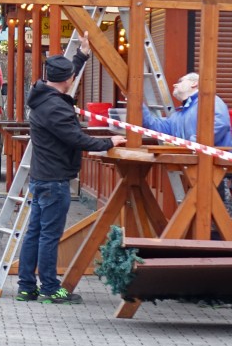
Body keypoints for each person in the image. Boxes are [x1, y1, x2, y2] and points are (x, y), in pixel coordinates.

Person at [16, 32, 126, 304]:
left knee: (35, 233)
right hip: (54, 181)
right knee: (49, 236)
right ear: (65, 80)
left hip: (41, 177)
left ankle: (26, 287)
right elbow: (76, 139)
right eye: (71, 76)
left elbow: (66, 76)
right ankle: (50, 289)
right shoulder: (57, 108)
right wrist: (109, 141)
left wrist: (81, 56)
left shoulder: (42, 95)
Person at [142, 72, 232, 218]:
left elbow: (220, 124)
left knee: (217, 218)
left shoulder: (210, 101)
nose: (174, 84)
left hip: (217, 170)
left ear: (194, 83)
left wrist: (193, 142)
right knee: (205, 218)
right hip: (196, 170)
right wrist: (137, 103)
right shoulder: (179, 114)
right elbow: (156, 126)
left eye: (180, 81)